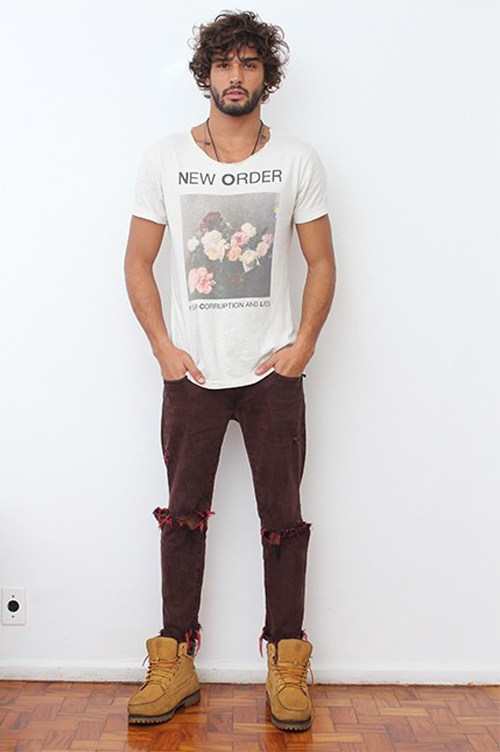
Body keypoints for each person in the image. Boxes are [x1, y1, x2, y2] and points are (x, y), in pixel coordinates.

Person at [124, 9, 336, 732]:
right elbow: (137, 262)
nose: (235, 76)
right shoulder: (164, 159)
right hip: (191, 375)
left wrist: (304, 344)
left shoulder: (297, 160)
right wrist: (163, 348)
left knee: (284, 522)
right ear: (206, 74)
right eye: (224, 64)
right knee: (182, 518)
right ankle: (173, 663)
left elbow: (322, 261)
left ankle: (286, 664)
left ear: (265, 75)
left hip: (273, 372)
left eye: (249, 63)